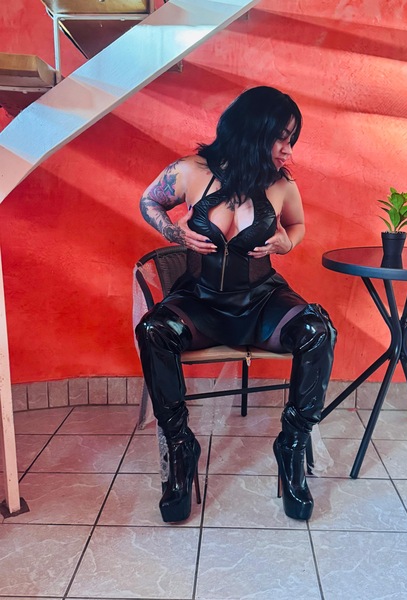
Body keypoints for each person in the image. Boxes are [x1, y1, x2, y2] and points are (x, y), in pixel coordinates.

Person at [135, 86, 336, 523]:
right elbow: (148, 201)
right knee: (153, 329)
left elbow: (297, 225)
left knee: (318, 331)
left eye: (291, 140)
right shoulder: (191, 171)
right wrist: (174, 232)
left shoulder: (281, 183)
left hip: (262, 303)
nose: (288, 150)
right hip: (201, 303)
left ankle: (292, 446)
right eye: (281, 137)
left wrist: (286, 242)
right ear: (251, 129)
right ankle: (181, 448)